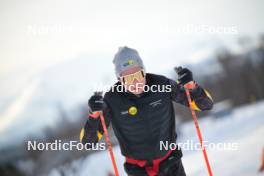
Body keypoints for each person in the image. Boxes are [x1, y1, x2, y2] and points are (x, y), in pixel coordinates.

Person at [80, 46, 213, 176]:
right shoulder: (112, 100)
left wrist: (192, 87)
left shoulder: (162, 85)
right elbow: (88, 143)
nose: (136, 82)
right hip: (138, 170)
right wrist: (94, 115)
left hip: (171, 163)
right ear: (119, 80)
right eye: (128, 78)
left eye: (138, 74)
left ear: (144, 71)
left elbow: (206, 105)